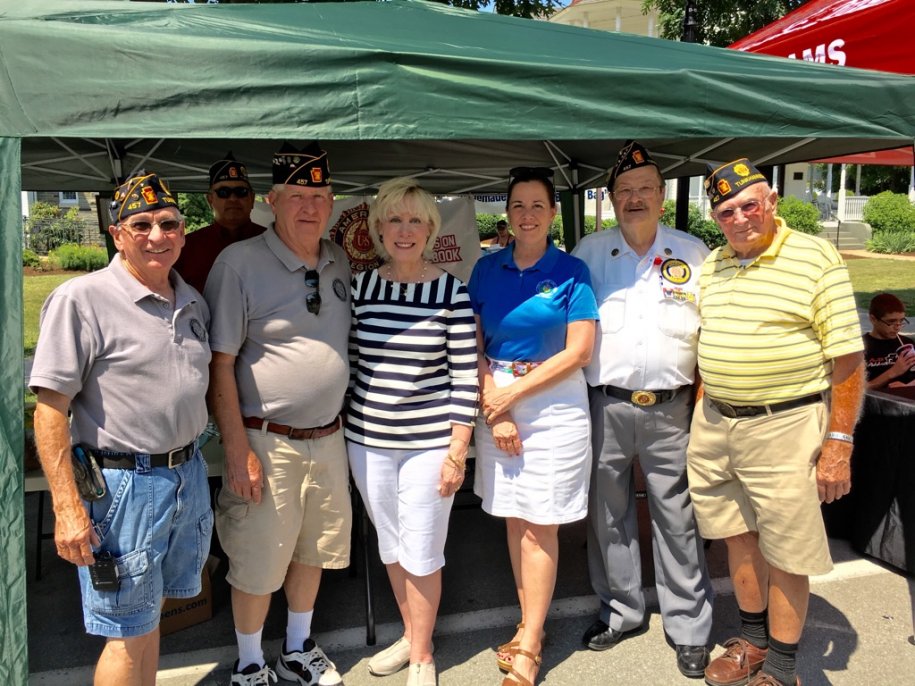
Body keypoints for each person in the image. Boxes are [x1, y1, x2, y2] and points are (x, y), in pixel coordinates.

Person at [30, 173, 212, 686]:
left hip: (185, 474)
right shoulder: (81, 299)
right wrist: (66, 508)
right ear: (117, 235)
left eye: (168, 223)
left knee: (148, 619)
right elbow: (49, 411)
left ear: (183, 232)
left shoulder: (191, 300)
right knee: (125, 632)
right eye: (142, 225)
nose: (157, 235)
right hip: (123, 487)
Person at [689, 158, 865, 686]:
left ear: (771, 202)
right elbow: (708, 340)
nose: (739, 218)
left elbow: (847, 357)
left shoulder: (814, 257)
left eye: (749, 205)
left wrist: (839, 441)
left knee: (788, 550)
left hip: (784, 424)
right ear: (715, 218)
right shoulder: (714, 264)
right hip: (717, 422)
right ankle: (753, 643)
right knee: (737, 536)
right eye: (726, 212)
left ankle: (782, 669)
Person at [206, 143, 351, 686]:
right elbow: (220, 365)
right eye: (296, 196)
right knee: (258, 558)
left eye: (319, 196)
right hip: (266, 439)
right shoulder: (238, 264)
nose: (309, 207)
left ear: (331, 202)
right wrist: (237, 449)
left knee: (313, 549)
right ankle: (249, 662)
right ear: (272, 201)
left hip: (328, 437)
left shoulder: (338, 258)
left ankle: (296, 649)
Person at [571, 141, 713, 678]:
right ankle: (621, 611)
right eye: (624, 191)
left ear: (661, 194)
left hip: (672, 409)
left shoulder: (693, 253)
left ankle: (689, 626)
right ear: (611, 199)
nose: (635, 198)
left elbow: (711, 331)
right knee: (607, 516)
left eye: (645, 189)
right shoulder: (589, 252)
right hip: (605, 403)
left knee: (678, 518)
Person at [468, 166, 598, 686]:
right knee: (514, 518)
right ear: (507, 212)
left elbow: (579, 350)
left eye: (537, 205)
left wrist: (511, 397)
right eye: (518, 205)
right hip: (495, 396)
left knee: (540, 524)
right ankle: (527, 621)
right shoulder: (485, 269)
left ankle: (531, 643)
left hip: (554, 406)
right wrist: (496, 406)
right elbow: (472, 344)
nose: (527, 215)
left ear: (552, 213)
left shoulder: (572, 270)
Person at [346, 177, 479, 686]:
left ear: (430, 230)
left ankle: (422, 655)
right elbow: (352, 364)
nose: (405, 230)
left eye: (415, 221)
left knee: (422, 549)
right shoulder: (361, 287)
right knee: (392, 544)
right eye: (395, 220)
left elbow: (465, 375)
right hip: (368, 442)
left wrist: (457, 449)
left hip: (430, 444)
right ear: (379, 228)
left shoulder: (451, 291)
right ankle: (410, 634)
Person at [174, 152, 267, 293]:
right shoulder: (186, 248)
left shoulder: (273, 243)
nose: (233, 198)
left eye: (241, 191)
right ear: (210, 199)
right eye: (223, 192)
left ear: (252, 198)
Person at [862, 292, 915, 389]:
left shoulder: (907, 344)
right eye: (891, 322)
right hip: (876, 398)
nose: (897, 327)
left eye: (901, 321)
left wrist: (907, 386)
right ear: (873, 319)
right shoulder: (859, 348)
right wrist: (892, 372)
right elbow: (854, 390)